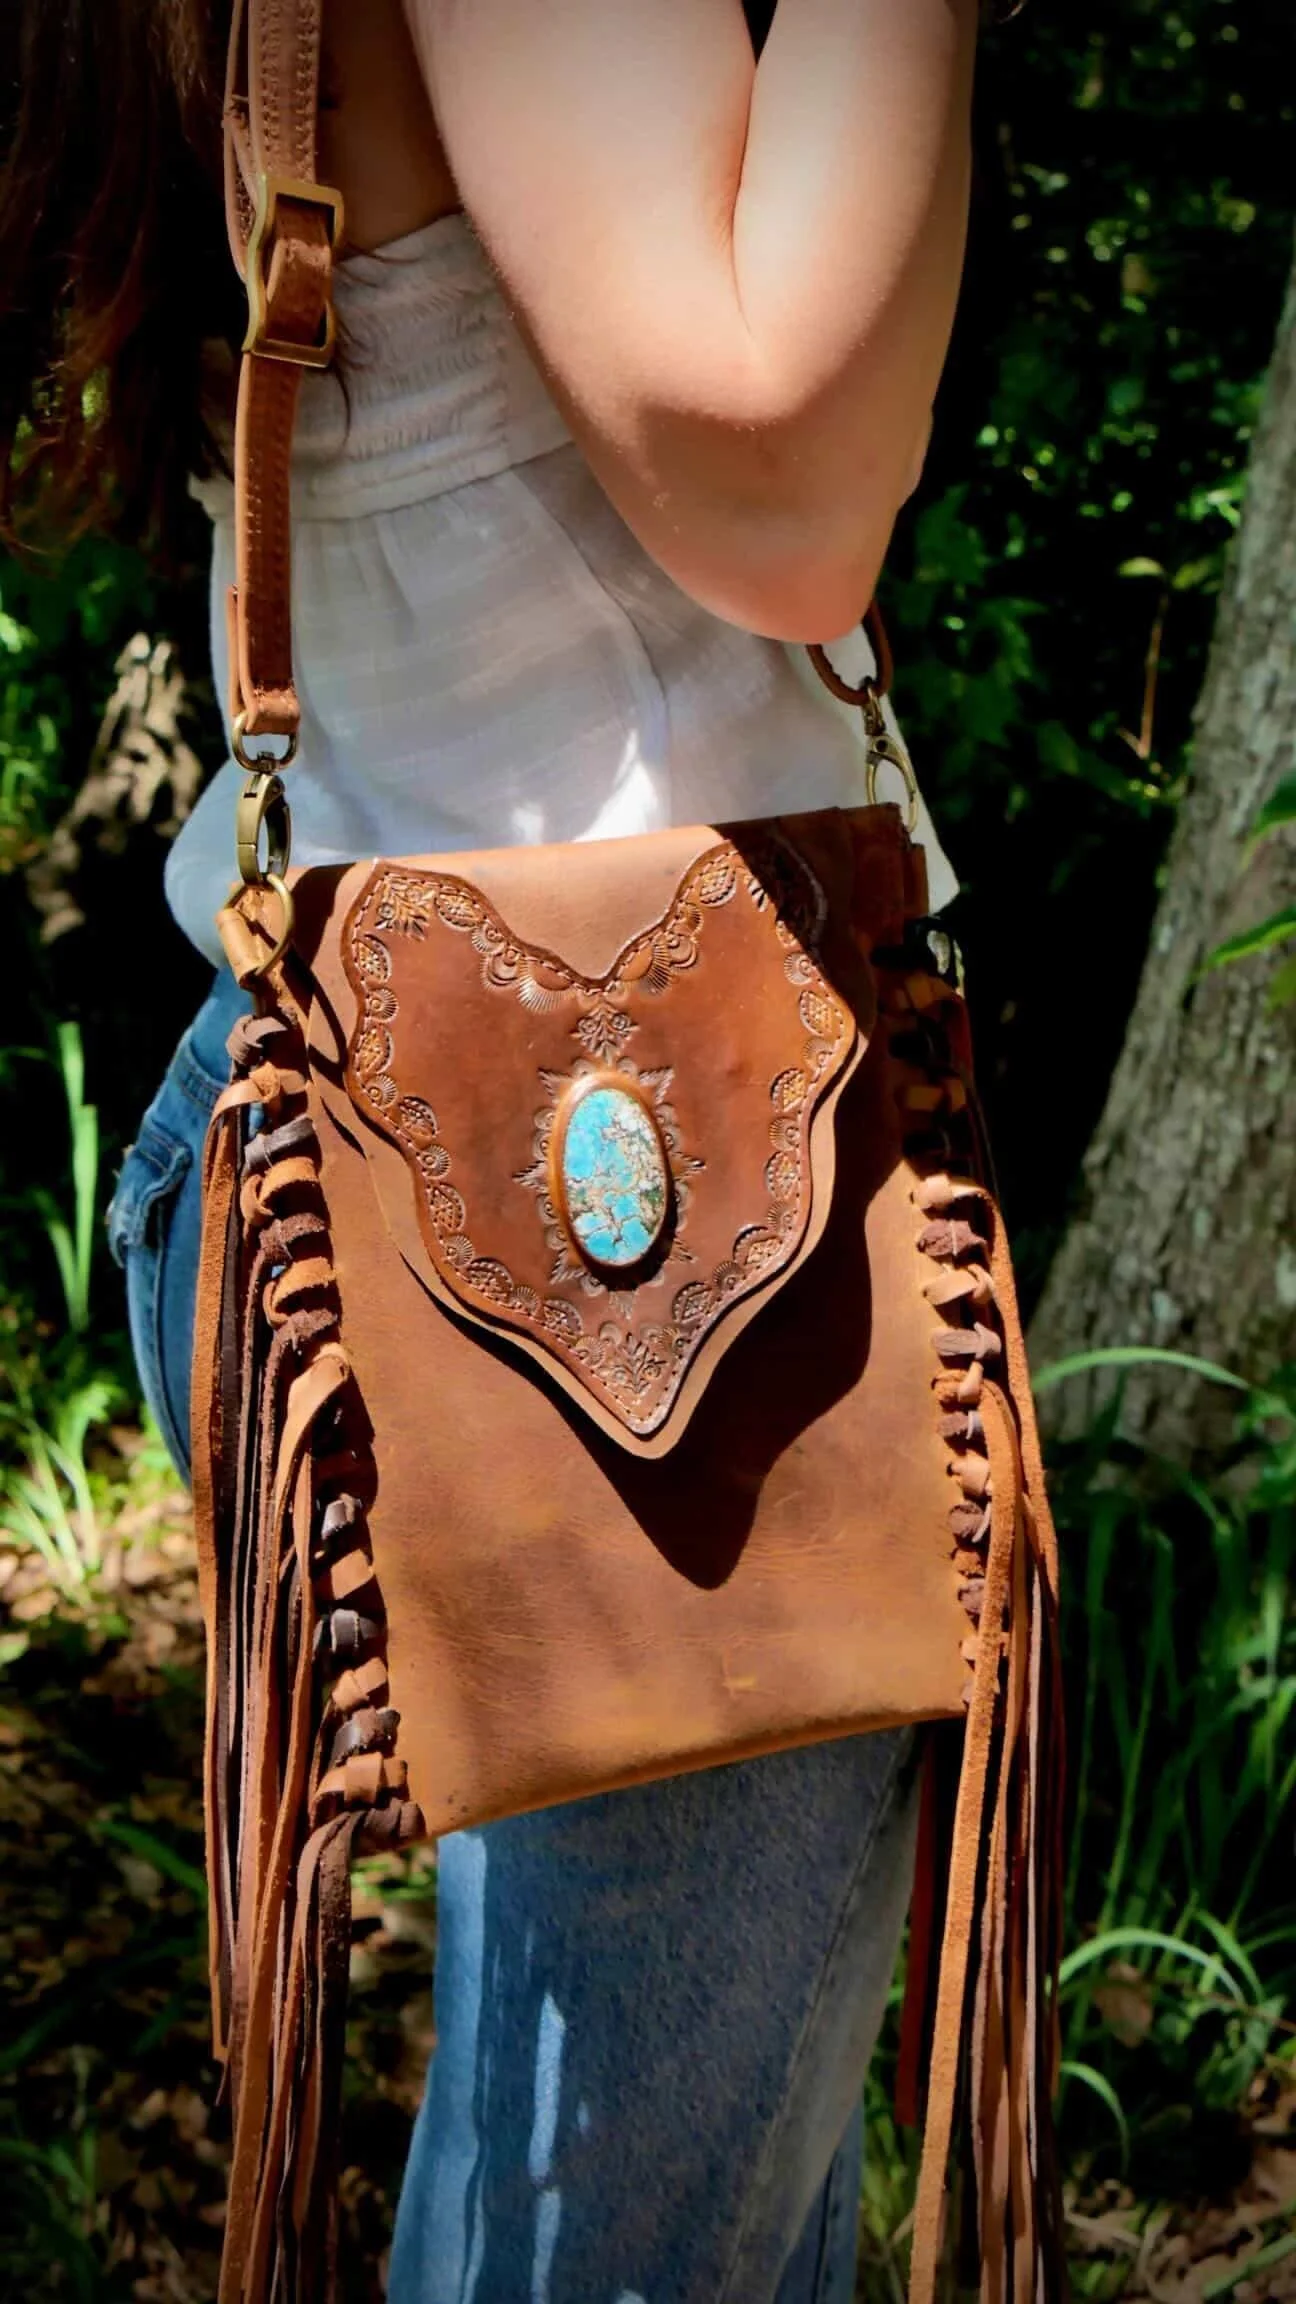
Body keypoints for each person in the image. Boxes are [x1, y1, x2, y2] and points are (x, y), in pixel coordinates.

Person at [3, 5, 986, 2296]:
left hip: (387, 1144)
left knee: (691, 2203)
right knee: (646, 2242)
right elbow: (782, 472)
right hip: (633, 1235)